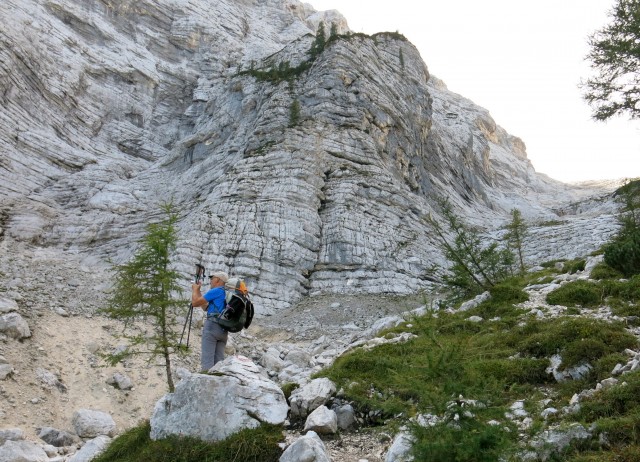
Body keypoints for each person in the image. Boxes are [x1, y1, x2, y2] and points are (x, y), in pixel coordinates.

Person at [191, 270, 229, 371]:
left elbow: (194, 303)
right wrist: (198, 291)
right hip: (223, 331)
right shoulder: (226, 293)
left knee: (207, 361)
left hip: (212, 327)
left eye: (212, 278)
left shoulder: (217, 291)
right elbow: (204, 307)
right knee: (219, 362)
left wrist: (194, 290)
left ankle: (206, 383)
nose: (211, 281)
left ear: (218, 280)